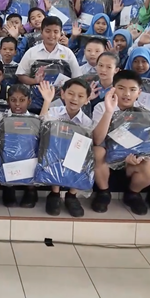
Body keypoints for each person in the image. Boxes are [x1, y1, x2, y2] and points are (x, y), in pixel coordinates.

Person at [91, 70, 150, 215]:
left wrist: (140, 157)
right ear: (113, 89)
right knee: (97, 151)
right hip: (108, 160)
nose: (127, 94)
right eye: (121, 88)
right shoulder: (102, 107)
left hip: (134, 162)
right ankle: (104, 192)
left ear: (139, 92)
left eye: (132, 89)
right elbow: (97, 140)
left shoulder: (147, 112)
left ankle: (132, 194)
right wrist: (108, 112)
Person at [39, 78, 94, 216]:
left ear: (87, 100)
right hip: (55, 151)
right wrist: (47, 101)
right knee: (54, 145)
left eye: (80, 96)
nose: (74, 98)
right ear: (63, 94)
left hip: (75, 154)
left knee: (84, 152)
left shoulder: (87, 122)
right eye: (71, 93)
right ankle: (54, 194)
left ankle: (72, 195)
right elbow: (42, 126)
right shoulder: (55, 112)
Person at [17, 16, 81, 87]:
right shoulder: (31, 52)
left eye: (56, 32)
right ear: (41, 32)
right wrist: (35, 81)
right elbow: (21, 75)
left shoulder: (68, 53)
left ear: (60, 33)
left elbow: (76, 76)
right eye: (48, 31)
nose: (52, 35)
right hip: (36, 92)